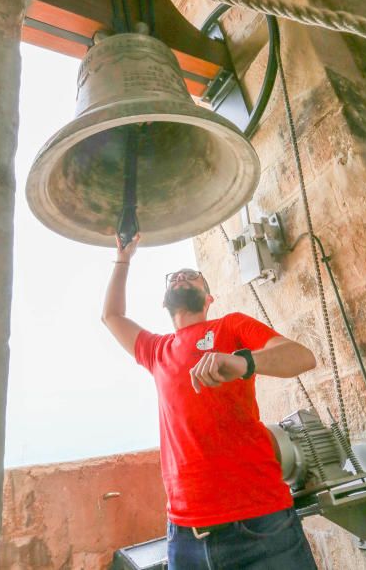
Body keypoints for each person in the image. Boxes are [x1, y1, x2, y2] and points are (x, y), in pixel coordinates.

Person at [102, 234, 318, 569]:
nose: (181, 277)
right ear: (164, 302)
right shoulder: (156, 350)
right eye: (174, 276)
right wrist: (123, 259)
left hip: (260, 524)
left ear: (208, 297)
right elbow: (112, 316)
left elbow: (301, 357)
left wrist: (243, 362)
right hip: (185, 536)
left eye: (192, 275)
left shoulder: (230, 327)